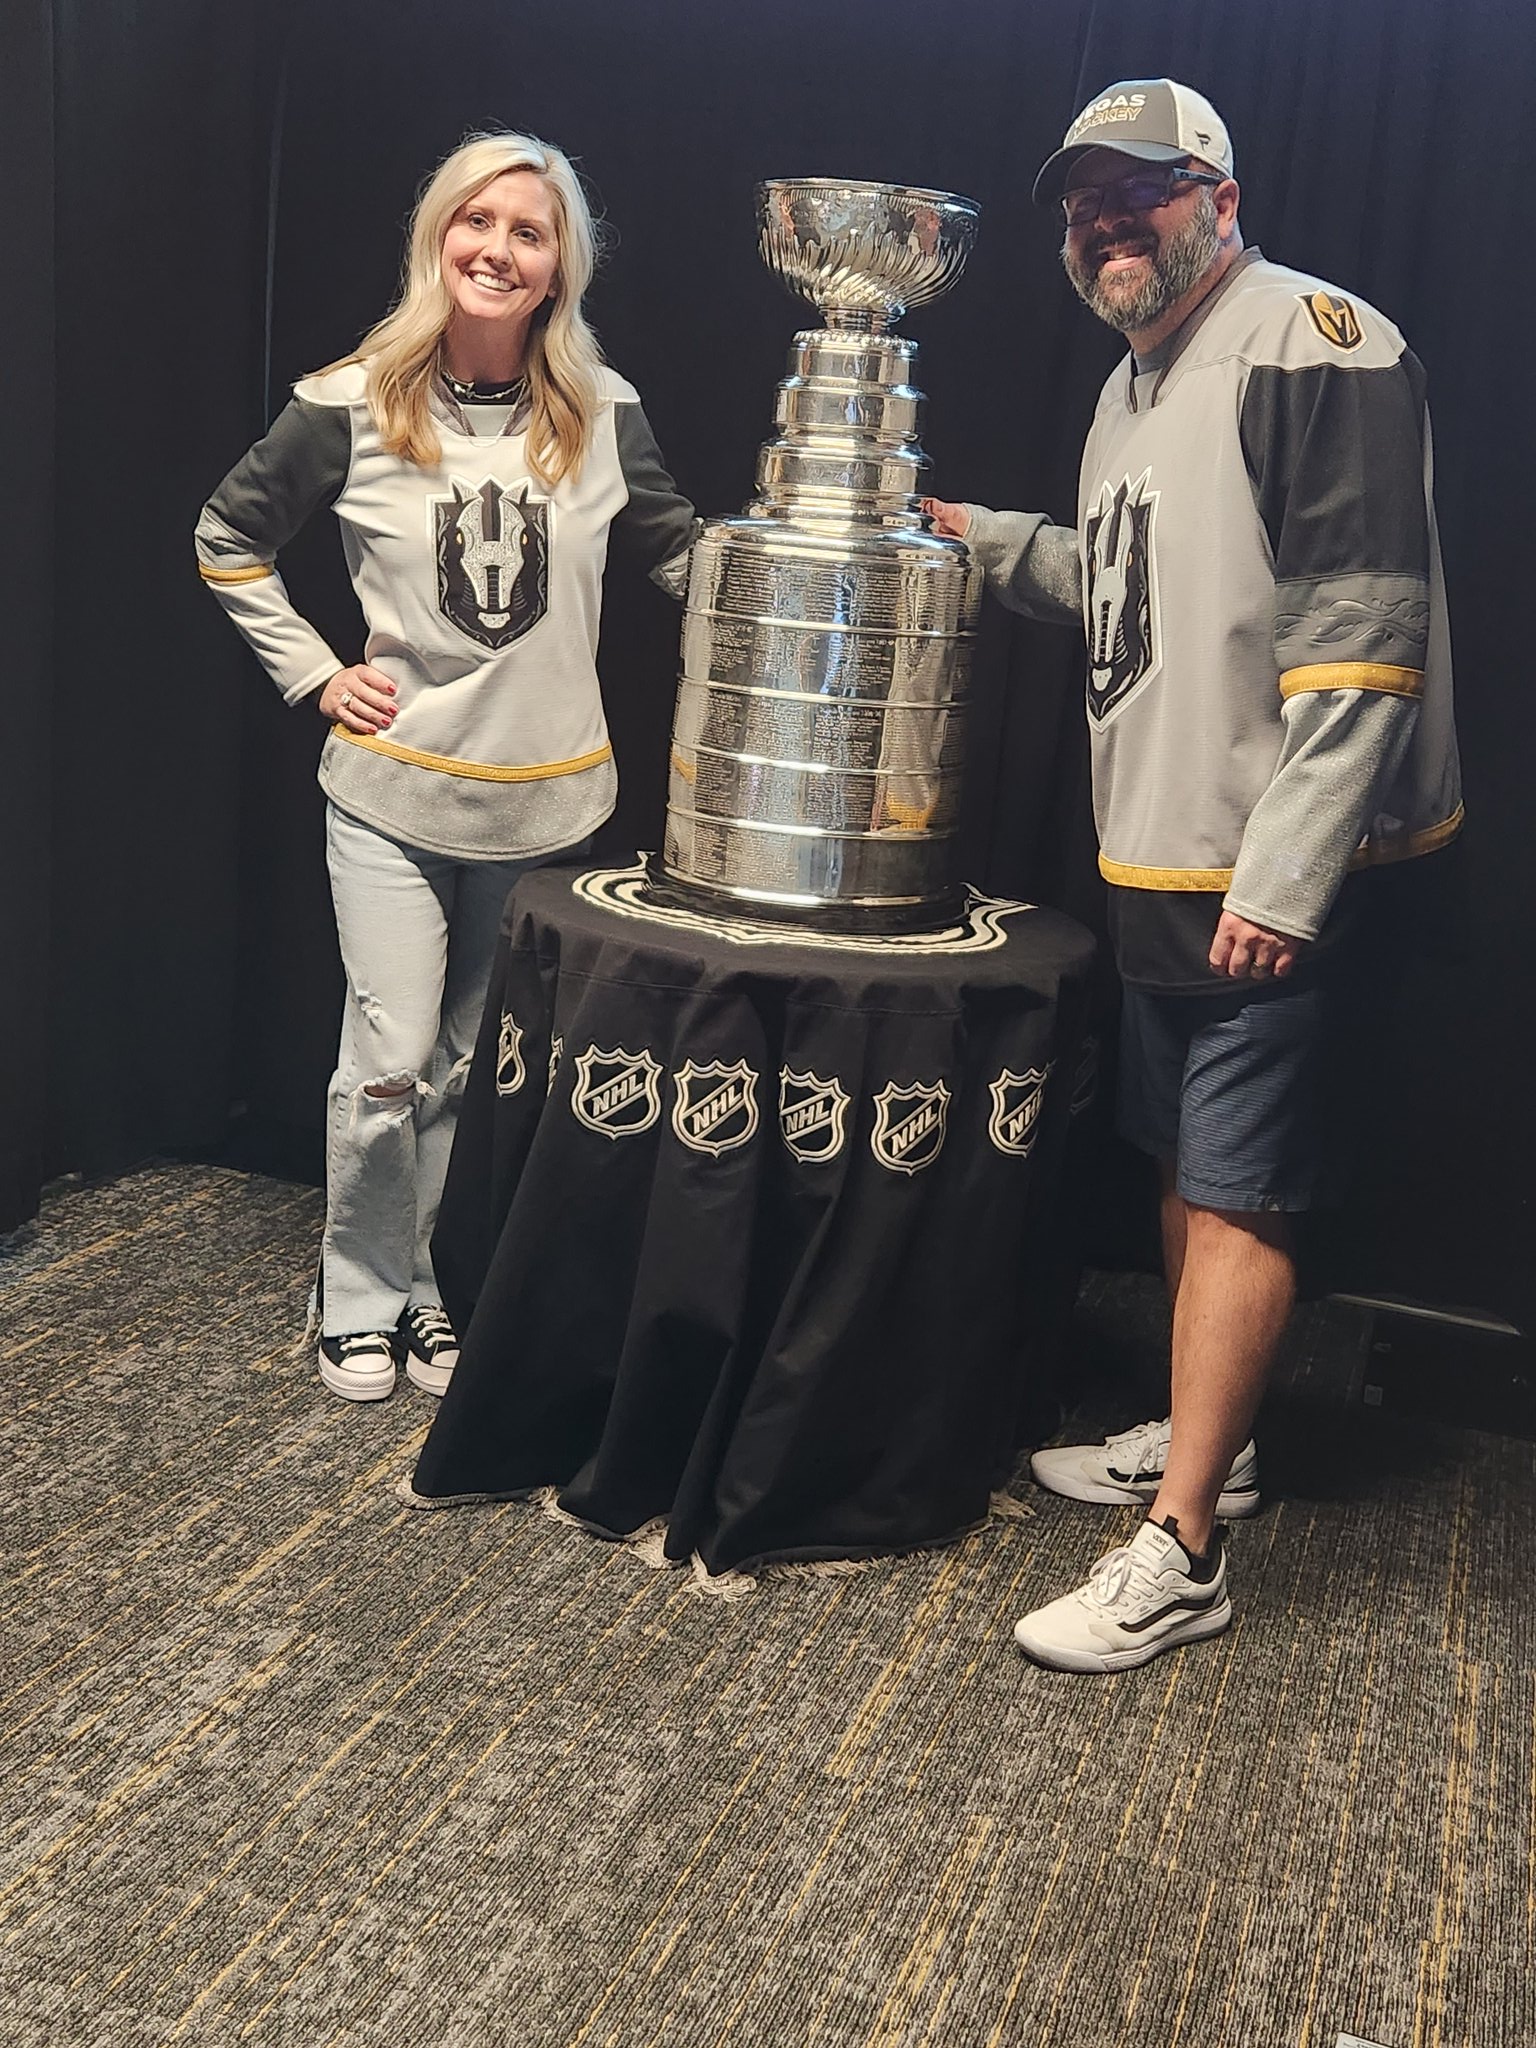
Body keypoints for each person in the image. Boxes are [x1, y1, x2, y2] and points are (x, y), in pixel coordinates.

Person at [923, 79, 1461, 1673]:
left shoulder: (1315, 343)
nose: (1103, 222)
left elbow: (1366, 634)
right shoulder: (1136, 381)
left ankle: (1186, 1552)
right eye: (1081, 201)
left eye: (1138, 192)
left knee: (1239, 1185)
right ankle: (1204, 1447)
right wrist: (981, 538)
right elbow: (1128, 589)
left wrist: (1286, 883)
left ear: (1219, 196)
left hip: (1261, 862)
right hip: (1161, 848)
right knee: (1183, 1160)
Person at [197, 131, 696, 1405]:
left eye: (529, 233)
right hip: (394, 799)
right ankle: (354, 1290)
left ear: (557, 269)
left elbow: (684, 559)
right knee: (390, 1056)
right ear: (439, 239)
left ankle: (423, 1288)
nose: (499, 249)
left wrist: (815, 557)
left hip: (545, 807)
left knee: (475, 1069)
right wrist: (316, 674)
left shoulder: (605, 412)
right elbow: (227, 536)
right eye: (478, 223)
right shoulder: (351, 399)